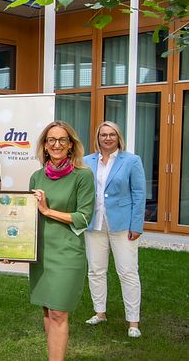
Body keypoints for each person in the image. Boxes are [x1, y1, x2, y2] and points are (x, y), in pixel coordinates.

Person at [29, 121, 95, 361]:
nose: (56, 145)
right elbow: (28, 219)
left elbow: (84, 217)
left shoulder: (83, 176)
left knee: (58, 312)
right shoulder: (36, 177)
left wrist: (48, 211)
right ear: (45, 146)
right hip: (41, 252)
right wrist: (14, 249)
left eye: (62, 140)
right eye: (51, 140)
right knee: (47, 310)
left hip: (67, 253)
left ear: (70, 145)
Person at [83, 121, 146, 338]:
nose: (107, 138)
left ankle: (133, 322)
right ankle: (99, 313)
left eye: (112, 134)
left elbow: (139, 194)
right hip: (95, 224)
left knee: (127, 271)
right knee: (96, 270)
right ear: (97, 138)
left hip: (122, 226)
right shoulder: (86, 161)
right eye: (103, 135)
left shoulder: (132, 161)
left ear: (118, 137)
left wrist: (136, 224)